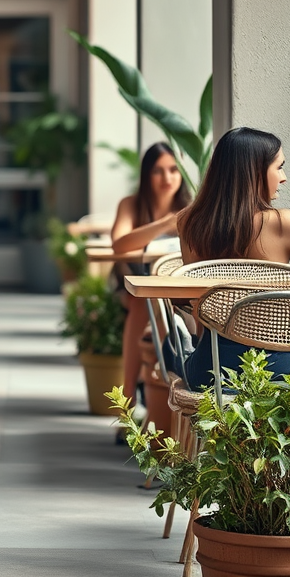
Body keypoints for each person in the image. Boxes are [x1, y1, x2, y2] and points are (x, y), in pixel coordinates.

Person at [178, 127, 290, 389]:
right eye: (279, 167)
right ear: (255, 172)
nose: (284, 178)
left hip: (210, 372)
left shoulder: (189, 222)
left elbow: (198, 304)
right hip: (279, 373)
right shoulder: (283, 224)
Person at [109, 142, 192, 408]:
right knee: (141, 303)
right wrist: (165, 224)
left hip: (172, 287)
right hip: (131, 284)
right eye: (158, 171)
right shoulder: (131, 205)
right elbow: (119, 243)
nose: (167, 178)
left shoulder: (190, 208)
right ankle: (131, 396)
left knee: (166, 306)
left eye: (173, 170)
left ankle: (163, 390)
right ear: (146, 175)